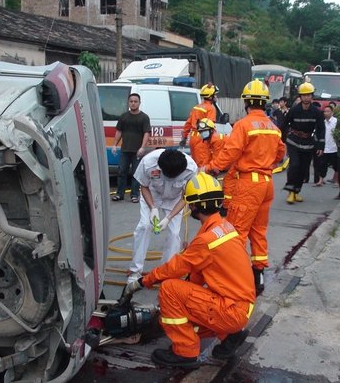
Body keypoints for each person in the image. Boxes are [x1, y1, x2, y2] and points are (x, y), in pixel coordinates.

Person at [122, 172, 255, 369]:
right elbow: (199, 272)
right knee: (182, 314)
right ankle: (229, 335)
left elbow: (174, 268)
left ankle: (185, 353)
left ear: (193, 205)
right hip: (240, 306)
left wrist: (143, 281)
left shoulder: (206, 240)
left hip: (230, 311)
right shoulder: (224, 227)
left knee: (169, 289)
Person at [204, 80, 286, 295]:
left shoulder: (243, 125)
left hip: (249, 184)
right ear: (265, 102)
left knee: (237, 232)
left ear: (246, 102)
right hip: (267, 184)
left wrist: (212, 168)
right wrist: (265, 163)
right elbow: (280, 154)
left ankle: (233, 278)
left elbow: (230, 152)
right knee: (259, 231)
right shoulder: (273, 128)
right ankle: (258, 273)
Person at [127, 148, 197, 283]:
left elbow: (186, 196)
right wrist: (153, 208)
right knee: (144, 226)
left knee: (174, 233)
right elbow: (144, 186)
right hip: (152, 194)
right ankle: (135, 271)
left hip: (175, 199)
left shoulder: (191, 169)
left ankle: (166, 272)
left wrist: (168, 218)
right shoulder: (148, 162)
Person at [281, 82, 325, 204]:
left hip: (308, 142)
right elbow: (284, 125)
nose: (306, 97)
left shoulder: (317, 112)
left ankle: (296, 191)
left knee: (303, 168)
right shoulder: (294, 110)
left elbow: (321, 129)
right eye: (304, 95)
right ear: (300, 97)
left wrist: (321, 145)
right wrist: (282, 140)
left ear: (312, 96)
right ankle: (290, 191)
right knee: (294, 164)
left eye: (308, 95)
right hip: (293, 140)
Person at [111, 93, 151, 203]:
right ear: (128, 103)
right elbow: (119, 131)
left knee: (136, 174)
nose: (133, 103)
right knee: (121, 172)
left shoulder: (144, 117)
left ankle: (135, 195)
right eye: (131, 101)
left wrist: (142, 148)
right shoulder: (124, 117)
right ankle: (120, 194)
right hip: (125, 150)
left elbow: (146, 133)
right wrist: (115, 144)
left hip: (137, 151)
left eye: (135, 101)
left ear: (139, 103)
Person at [180, 83, 218, 162]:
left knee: (195, 163)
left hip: (193, 138)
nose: (216, 97)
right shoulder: (210, 109)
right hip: (202, 139)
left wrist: (184, 138)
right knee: (203, 163)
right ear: (211, 97)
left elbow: (188, 124)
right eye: (215, 95)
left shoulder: (196, 107)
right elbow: (210, 126)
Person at [315, 102, 338, 187]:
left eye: (328, 111)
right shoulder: (322, 122)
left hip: (334, 147)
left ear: (332, 113)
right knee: (322, 164)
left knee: (336, 165)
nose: (326, 113)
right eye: (324, 111)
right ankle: (321, 180)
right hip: (324, 147)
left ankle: (337, 180)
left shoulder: (336, 121)